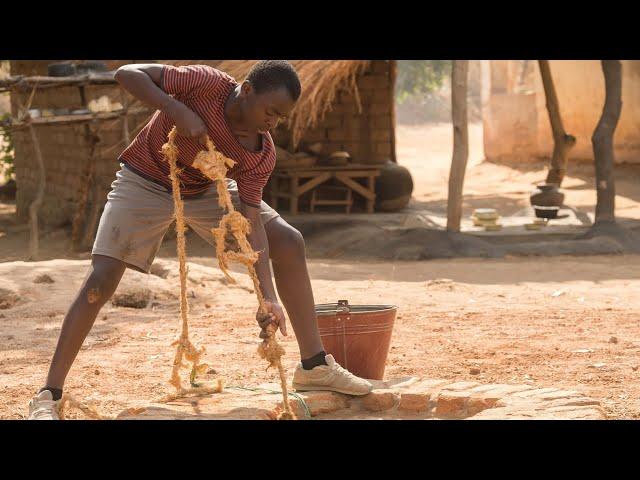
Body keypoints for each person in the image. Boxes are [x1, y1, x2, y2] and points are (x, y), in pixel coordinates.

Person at [27, 60, 372, 420]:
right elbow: (127, 74)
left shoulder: (259, 152)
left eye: (280, 118)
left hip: (209, 190)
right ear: (247, 90)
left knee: (287, 240)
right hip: (146, 178)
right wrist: (177, 110)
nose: (273, 123)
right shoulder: (206, 85)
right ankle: (48, 394)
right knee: (100, 281)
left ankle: (314, 366)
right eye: (270, 111)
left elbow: (251, 219)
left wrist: (267, 295)